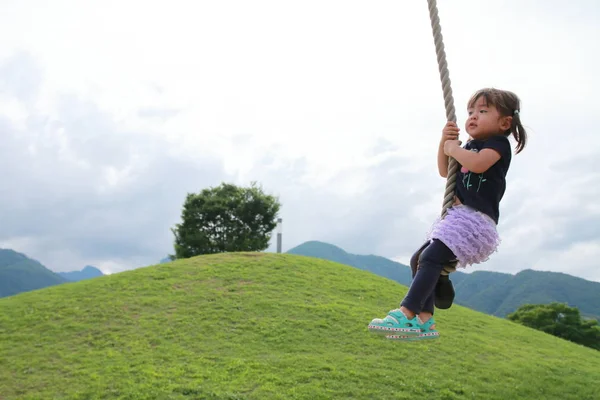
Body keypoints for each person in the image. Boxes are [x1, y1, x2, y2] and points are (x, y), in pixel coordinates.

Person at [368, 88, 528, 341]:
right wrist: (445, 143)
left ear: (504, 122)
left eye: (483, 111)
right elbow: (445, 171)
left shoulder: (498, 144)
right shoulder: (469, 145)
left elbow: (477, 164)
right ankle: (424, 319)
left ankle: (406, 311)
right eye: (471, 112)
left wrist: (454, 148)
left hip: (476, 222)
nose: (473, 117)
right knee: (418, 259)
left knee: (430, 257)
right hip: (459, 219)